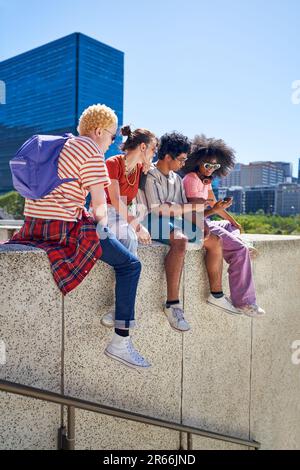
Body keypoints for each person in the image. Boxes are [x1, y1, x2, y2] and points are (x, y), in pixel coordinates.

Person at [6, 104, 151, 369]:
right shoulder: (90, 151)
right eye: (111, 136)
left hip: (33, 227)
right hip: (63, 229)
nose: (111, 143)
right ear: (98, 131)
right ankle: (120, 341)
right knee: (131, 264)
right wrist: (104, 232)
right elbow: (99, 208)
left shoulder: (61, 144)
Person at [135, 132, 242, 333]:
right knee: (180, 240)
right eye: (182, 159)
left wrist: (208, 217)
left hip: (172, 219)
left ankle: (216, 294)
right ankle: (173, 305)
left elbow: (185, 209)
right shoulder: (149, 175)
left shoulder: (176, 179)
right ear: (168, 157)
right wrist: (185, 208)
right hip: (149, 220)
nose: (184, 164)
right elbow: (160, 209)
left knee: (214, 241)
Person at [181, 134, 265, 317]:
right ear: (197, 161)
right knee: (240, 250)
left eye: (215, 166)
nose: (211, 169)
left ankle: (242, 247)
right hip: (195, 223)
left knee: (230, 226)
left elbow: (213, 205)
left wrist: (233, 220)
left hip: (205, 219)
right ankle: (244, 302)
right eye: (208, 165)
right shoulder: (191, 179)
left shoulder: (205, 180)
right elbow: (193, 212)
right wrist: (215, 209)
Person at [100, 125, 157, 327]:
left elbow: (133, 202)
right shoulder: (113, 163)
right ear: (143, 146)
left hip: (121, 215)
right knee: (131, 238)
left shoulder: (141, 169)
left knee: (129, 240)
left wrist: (148, 164)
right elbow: (115, 200)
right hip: (104, 212)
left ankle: (119, 308)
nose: (154, 154)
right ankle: (119, 308)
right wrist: (138, 226)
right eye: (153, 149)